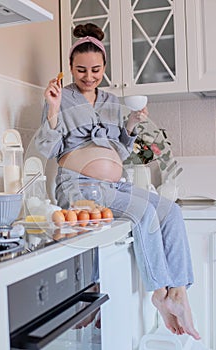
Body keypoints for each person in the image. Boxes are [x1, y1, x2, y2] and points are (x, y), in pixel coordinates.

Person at [35, 23, 200, 340]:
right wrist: (53, 111)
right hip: (79, 189)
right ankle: (159, 292)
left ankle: (178, 293)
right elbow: (48, 149)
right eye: (81, 70)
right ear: (70, 68)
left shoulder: (111, 100)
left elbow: (122, 151)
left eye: (95, 69)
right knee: (145, 213)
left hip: (114, 187)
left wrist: (133, 124)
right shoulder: (61, 98)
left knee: (171, 212)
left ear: (104, 68)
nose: (88, 76)